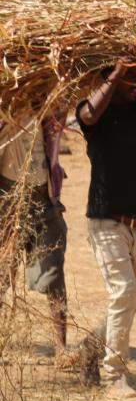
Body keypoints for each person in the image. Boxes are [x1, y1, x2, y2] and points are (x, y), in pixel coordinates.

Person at [76, 60, 136, 396]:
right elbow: (88, 115)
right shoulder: (93, 117)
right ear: (108, 79)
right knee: (124, 293)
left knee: (135, 300)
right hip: (106, 222)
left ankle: (91, 347)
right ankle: (113, 376)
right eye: (130, 77)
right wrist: (117, 72)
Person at [0, 114, 73, 367]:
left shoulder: (49, 109)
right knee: (1, 274)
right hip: (6, 198)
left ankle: (61, 349)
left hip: (44, 197)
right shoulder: (7, 107)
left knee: (54, 274)